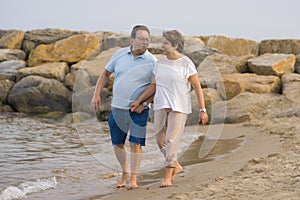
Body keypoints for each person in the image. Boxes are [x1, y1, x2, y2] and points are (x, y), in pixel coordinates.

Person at [130, 30, 209, 187]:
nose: (162, 46)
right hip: (160, 105)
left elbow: (197, 87)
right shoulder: (160, 62)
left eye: (165, 43)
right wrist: (139, 101)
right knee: (160, 140)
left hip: (179, 107)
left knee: (171, 140)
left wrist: (203, 110)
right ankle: (176, 165)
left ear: (175, 45)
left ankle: (168, 177)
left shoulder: (186, 63)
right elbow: (154, 85)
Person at [91, 25, 157, 190]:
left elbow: (156, 86)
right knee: (117, 143)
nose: (145, 42)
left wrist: (144, 104)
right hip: (117, 108)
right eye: (141, 39)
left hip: (138, 110)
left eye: (147, 39)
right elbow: (105, 74)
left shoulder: (152, 61)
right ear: (132, 40)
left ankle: (133, 178)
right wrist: (96, 94)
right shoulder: (119, 54)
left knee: (135, 144)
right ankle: (125, 171)